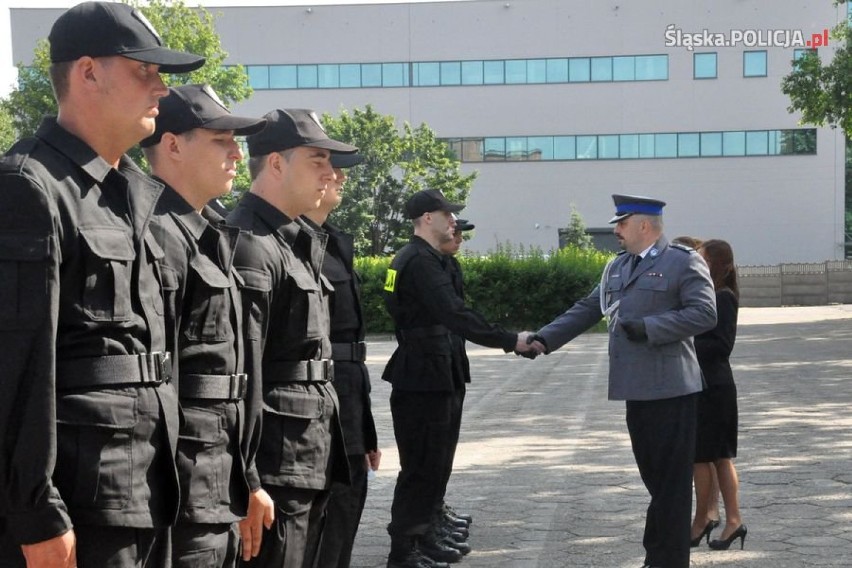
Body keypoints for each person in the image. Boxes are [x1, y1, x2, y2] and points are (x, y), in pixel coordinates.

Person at [0, 2, 205, 566]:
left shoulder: (133, 195)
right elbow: (16, 365)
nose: (161, 89)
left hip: (148, 488)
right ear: (88, 72)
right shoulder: (29, 187)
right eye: (146, 70)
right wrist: (34, 510)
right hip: (80, 504)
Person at [527, 194, 717, 568]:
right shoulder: (617, 267)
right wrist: (545, 338)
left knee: (671, 485)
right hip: (636, 389)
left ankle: (666, 560)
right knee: (656, 481)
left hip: (672, 389)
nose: (616, 230)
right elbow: (588, 308)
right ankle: (658, 555)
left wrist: (650, 328)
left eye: (622, 223)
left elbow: (705, 313)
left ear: (644, 225)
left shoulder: (682, 262)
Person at [140, 84, 274, 567]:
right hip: (183, 492)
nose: (237, 152)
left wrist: (248, 480)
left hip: (220, 480)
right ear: (172, 144)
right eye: (220, 140)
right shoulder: (155, 234)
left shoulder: (209, 232)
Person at [226, 108, 356, 567]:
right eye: (317, 159)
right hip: (275, 464)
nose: (331, 172)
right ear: (276, 164)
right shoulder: (248, 243)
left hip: (306, 456)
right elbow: (239, 372)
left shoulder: (294, 241)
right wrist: (249, 478)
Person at [382, 190, 537, 568]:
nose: (453, 220)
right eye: (445, 213)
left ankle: (424, 534)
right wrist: (509, 340)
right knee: (422, 466)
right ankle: (405, 550)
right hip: (423, 373)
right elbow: (454, 313)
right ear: (425, 218)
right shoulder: (416, 262)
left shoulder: (425, 258)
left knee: (436, 462)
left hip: (436, 368)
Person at [303, 153, 382, 568]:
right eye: (327, 165)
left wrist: (365, 432)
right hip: (311, 413)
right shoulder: (284, 241)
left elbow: (353, 349)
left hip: (347, 404)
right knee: (318, 532)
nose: (340, 176)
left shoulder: (333, 241)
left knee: (346, 518)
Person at [690, 240, 747, 552]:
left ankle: (720, 519)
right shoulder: (710, 294)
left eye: (702, 259)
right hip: (705, 386)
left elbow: (722, 345)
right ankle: (724, 519)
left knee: (711, 457)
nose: (698, 264)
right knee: (713, 457)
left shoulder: (723, 297)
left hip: (715, 387)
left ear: (716, 263)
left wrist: (683, 342)